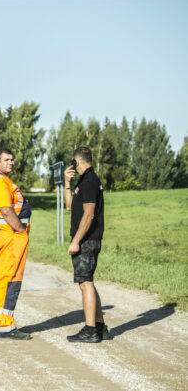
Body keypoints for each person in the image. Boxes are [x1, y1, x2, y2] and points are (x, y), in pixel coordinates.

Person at [0, 148, 32, 340]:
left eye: (12, 159)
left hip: (5, 236)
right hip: (9, 236)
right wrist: (20, 230)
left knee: (2, 278)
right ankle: (5, 326)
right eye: (6, 159)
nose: (11, 162)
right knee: (10, 280)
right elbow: (6, 210)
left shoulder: (0, 179)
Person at [63, 146, 111, 343]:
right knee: (88, 281)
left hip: (86, 241)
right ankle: (99, 327)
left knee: (85, 283)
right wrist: (67, 183)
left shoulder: (90, 181)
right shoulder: (84, 180)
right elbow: (69, 206)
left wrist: (76, 241)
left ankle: (90, 330)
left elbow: (89, 214)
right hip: (86, 240)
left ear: (76, 162)